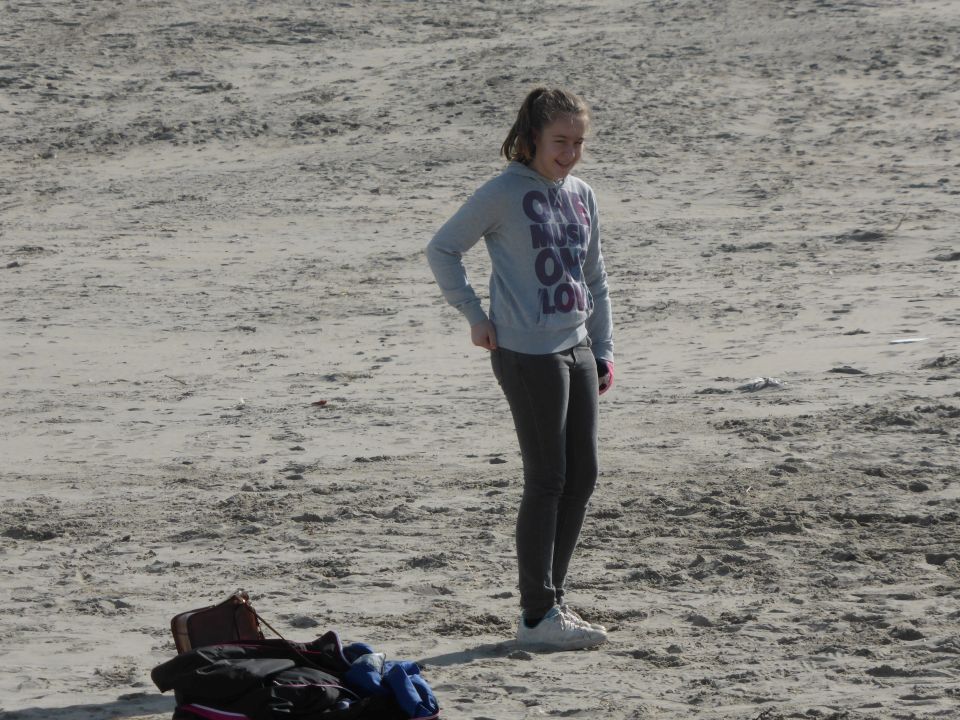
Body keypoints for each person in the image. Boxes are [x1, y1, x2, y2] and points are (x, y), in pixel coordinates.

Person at [425, 87, 614, 651]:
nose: (570, 153)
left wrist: (603, 348)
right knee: (548, 478)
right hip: (526, 352)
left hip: (578, 346)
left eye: (579, 142)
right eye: (560, 141)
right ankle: (536, 615)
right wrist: (474, 316)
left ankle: (552, 602)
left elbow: (595, 277)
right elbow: (443, 249)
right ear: (532, 138)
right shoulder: (502, 193)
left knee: (582, 476)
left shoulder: (581, 194)